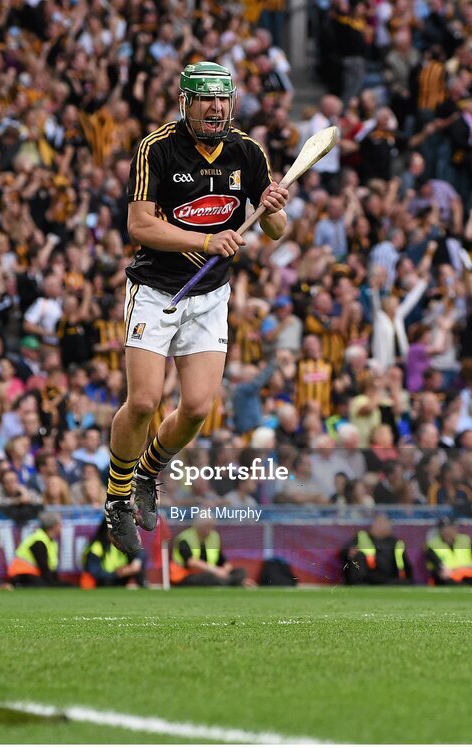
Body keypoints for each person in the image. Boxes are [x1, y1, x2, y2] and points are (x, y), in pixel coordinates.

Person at [103, 61, 289, 554]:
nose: (216, 108)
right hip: (158, 289)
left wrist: (271, 209)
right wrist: (206, 241)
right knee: (143, 401)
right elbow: (140, 227)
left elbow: (277, 230)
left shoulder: (247, 151)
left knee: (198, 408)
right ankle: (117, 496)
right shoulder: (156, 149)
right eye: (206, 99)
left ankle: (147, 473)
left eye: (223, 99)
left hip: (210, 296)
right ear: (185, 102)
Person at [170, 513, 255, 587]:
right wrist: (216, 571)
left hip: (213, 573)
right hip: (187, 575)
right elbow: (191, 562)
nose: (211, 529)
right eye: (208, 526)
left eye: (212, 526)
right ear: (198, 526)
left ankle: (234, 581)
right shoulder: (184, 538)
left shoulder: (214, 537)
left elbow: (222, 560)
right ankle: (236, 583)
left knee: (240, 572)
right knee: (208, 578)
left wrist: (225, 571)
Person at [341, 515, 412, 585]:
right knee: (358, 556)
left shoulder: (395, 543)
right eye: (379, 523)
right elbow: (345, 552)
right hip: (367, 575)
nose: (381, 527)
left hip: (388, 577)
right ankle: (359, 584)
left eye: (384, 524)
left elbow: (405, 565)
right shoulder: (362, 537)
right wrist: (349, 552)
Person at [424, 517, 472, 585]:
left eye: (455, 527)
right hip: (449, 576)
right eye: (451, 528)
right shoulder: (433, 544)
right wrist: (442, 569)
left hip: (467, 574)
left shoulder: (464, 540)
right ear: (443, 530)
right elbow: (436, 561)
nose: (454, 530)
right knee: (444, 578)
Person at [7, 512, 67, 587]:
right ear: (53, 526)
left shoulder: (49, 541)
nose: (61, 526)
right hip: (22, 574)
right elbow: (44, 567)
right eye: (59, 524)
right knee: (46, 586)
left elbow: (50, 568)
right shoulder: (38, 541)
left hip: (32, 575)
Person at [80, 522, 145, 589]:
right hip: (101, 585)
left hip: (120, 582)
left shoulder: (124, 544)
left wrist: (136, 563)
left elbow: (141, 553)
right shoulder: (96, 547)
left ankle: (142, 585)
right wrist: (118, 573)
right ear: (106, 531)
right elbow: (96, 572)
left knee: (138, 560)